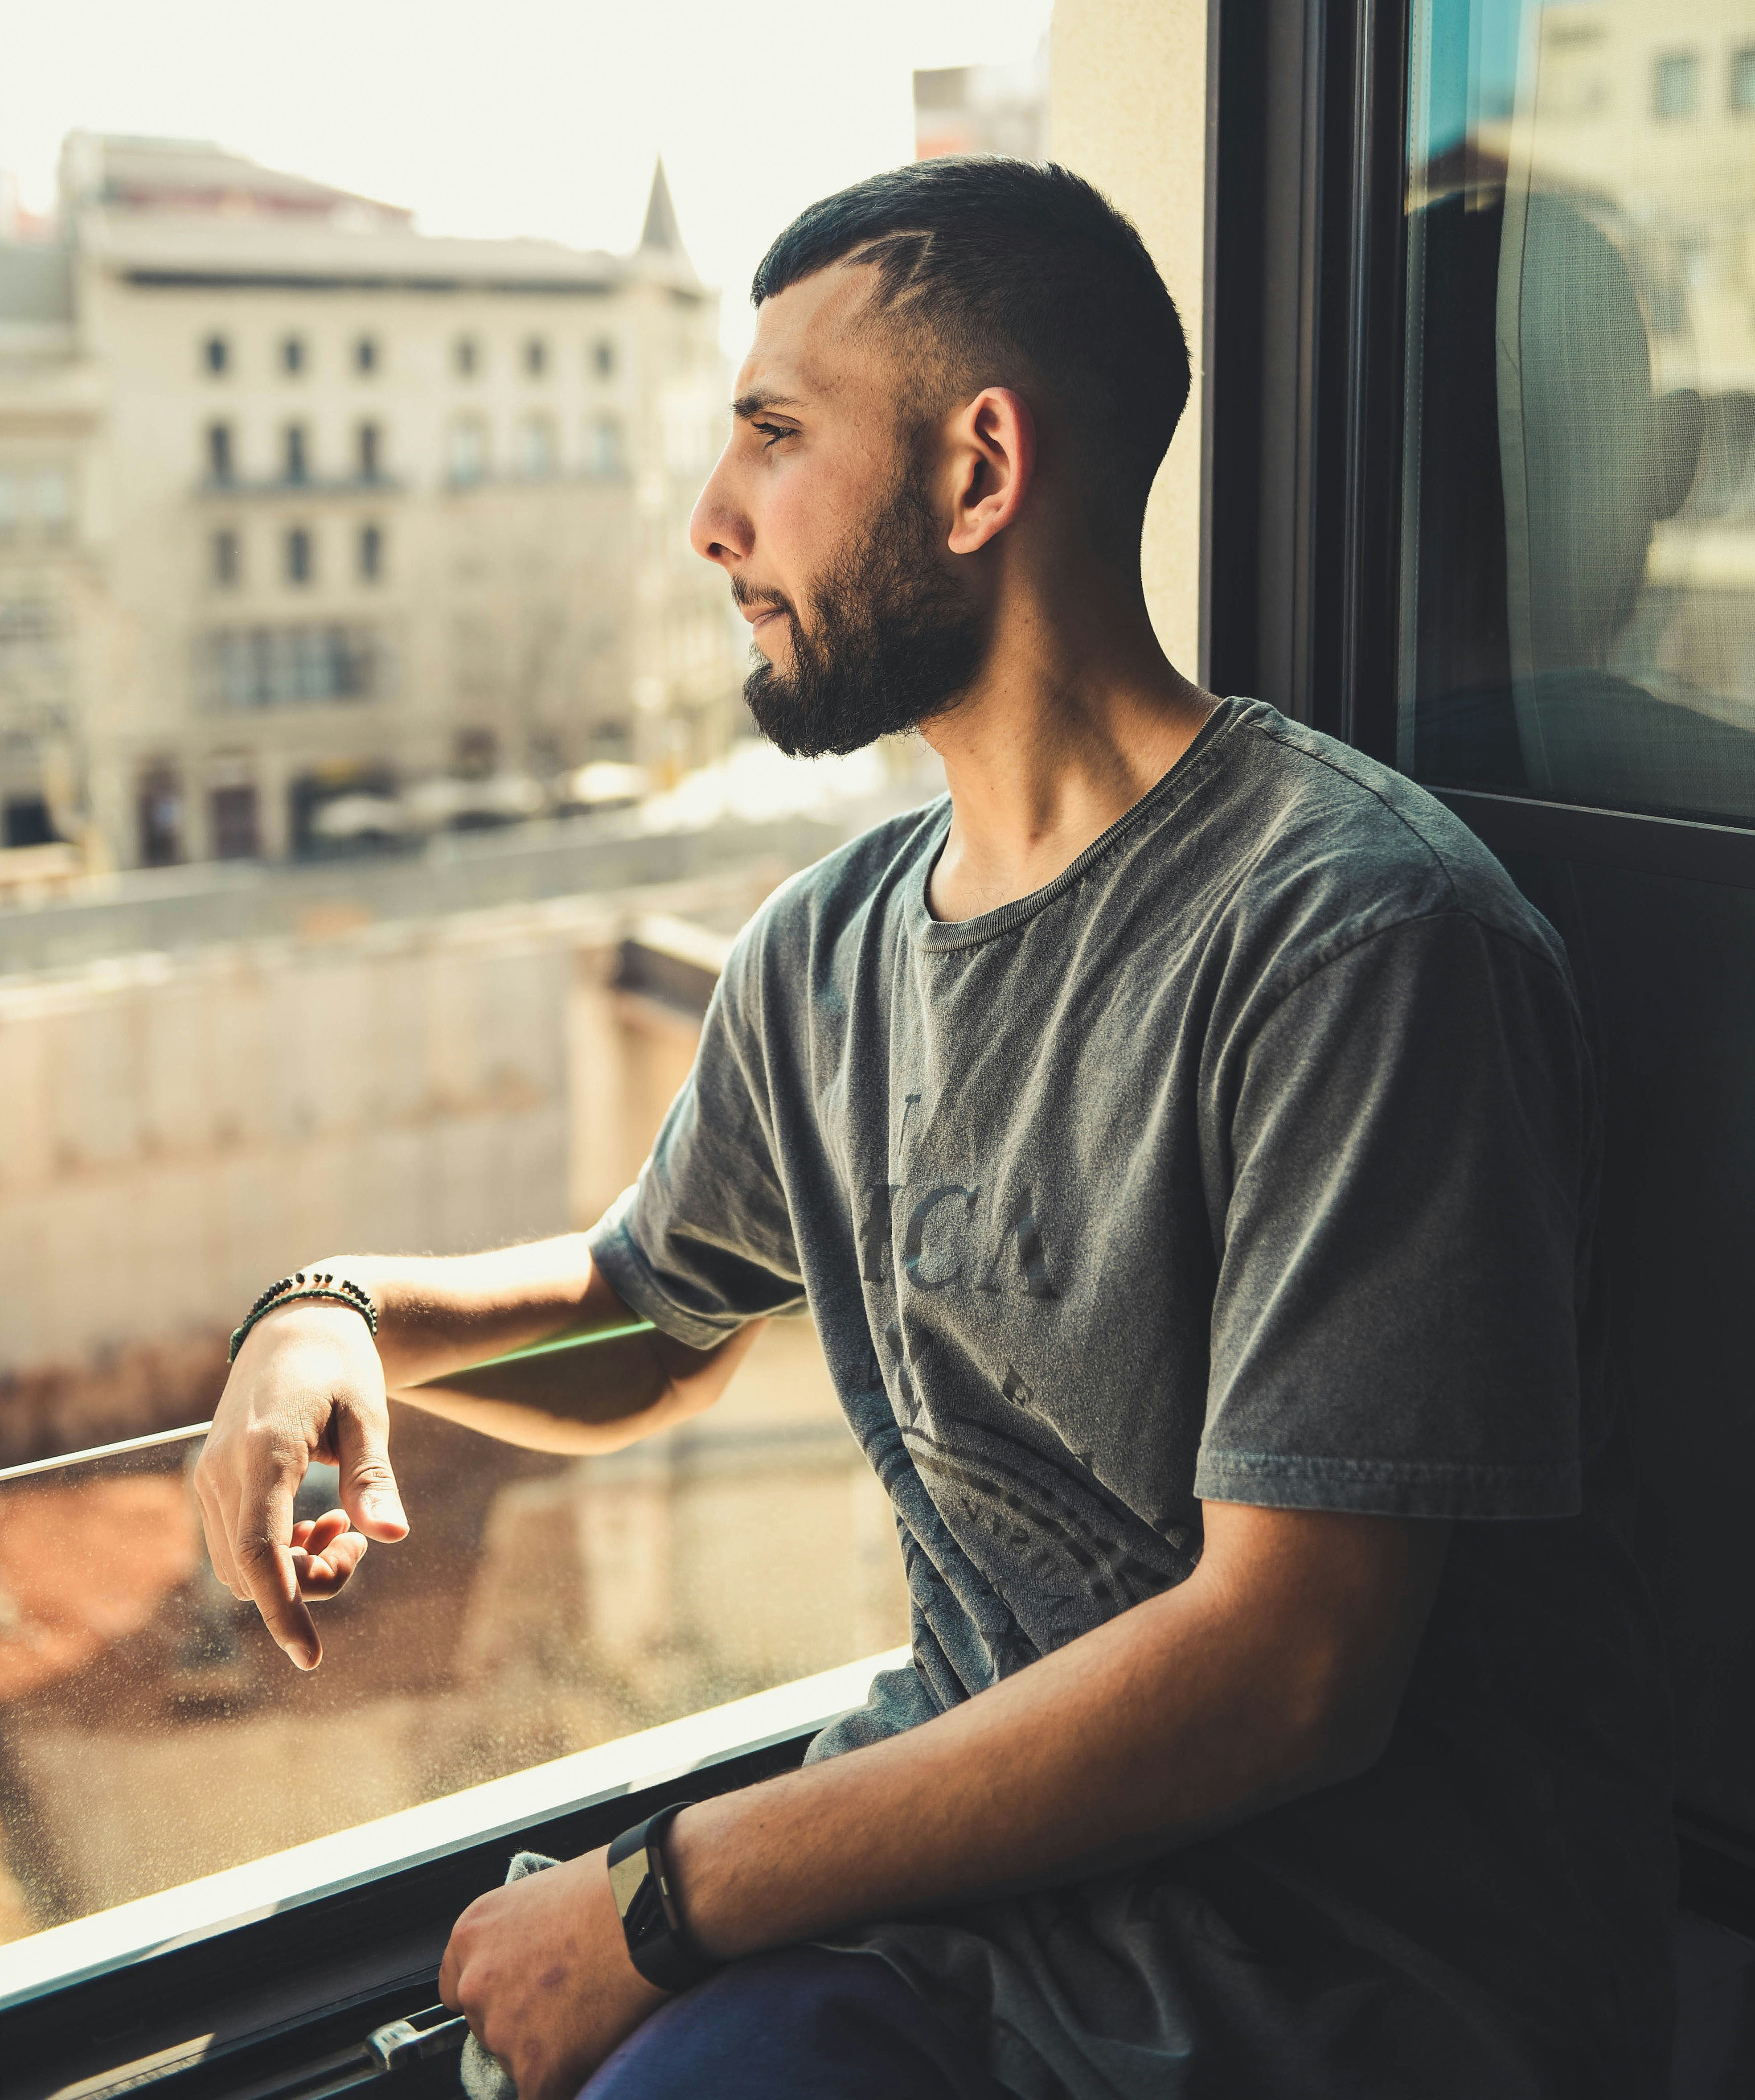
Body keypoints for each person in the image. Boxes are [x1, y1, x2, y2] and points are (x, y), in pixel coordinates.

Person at [197, 159, 1674, 2100]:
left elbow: (1288, 1667)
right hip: (974, 1930)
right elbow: (648, 1306)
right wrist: (335, 1312)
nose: (713, 522)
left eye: (775, 437)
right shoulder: (823, 950)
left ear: (981, 473)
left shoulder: (1355, 932)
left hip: (1312, 1996)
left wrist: (655, 1899)